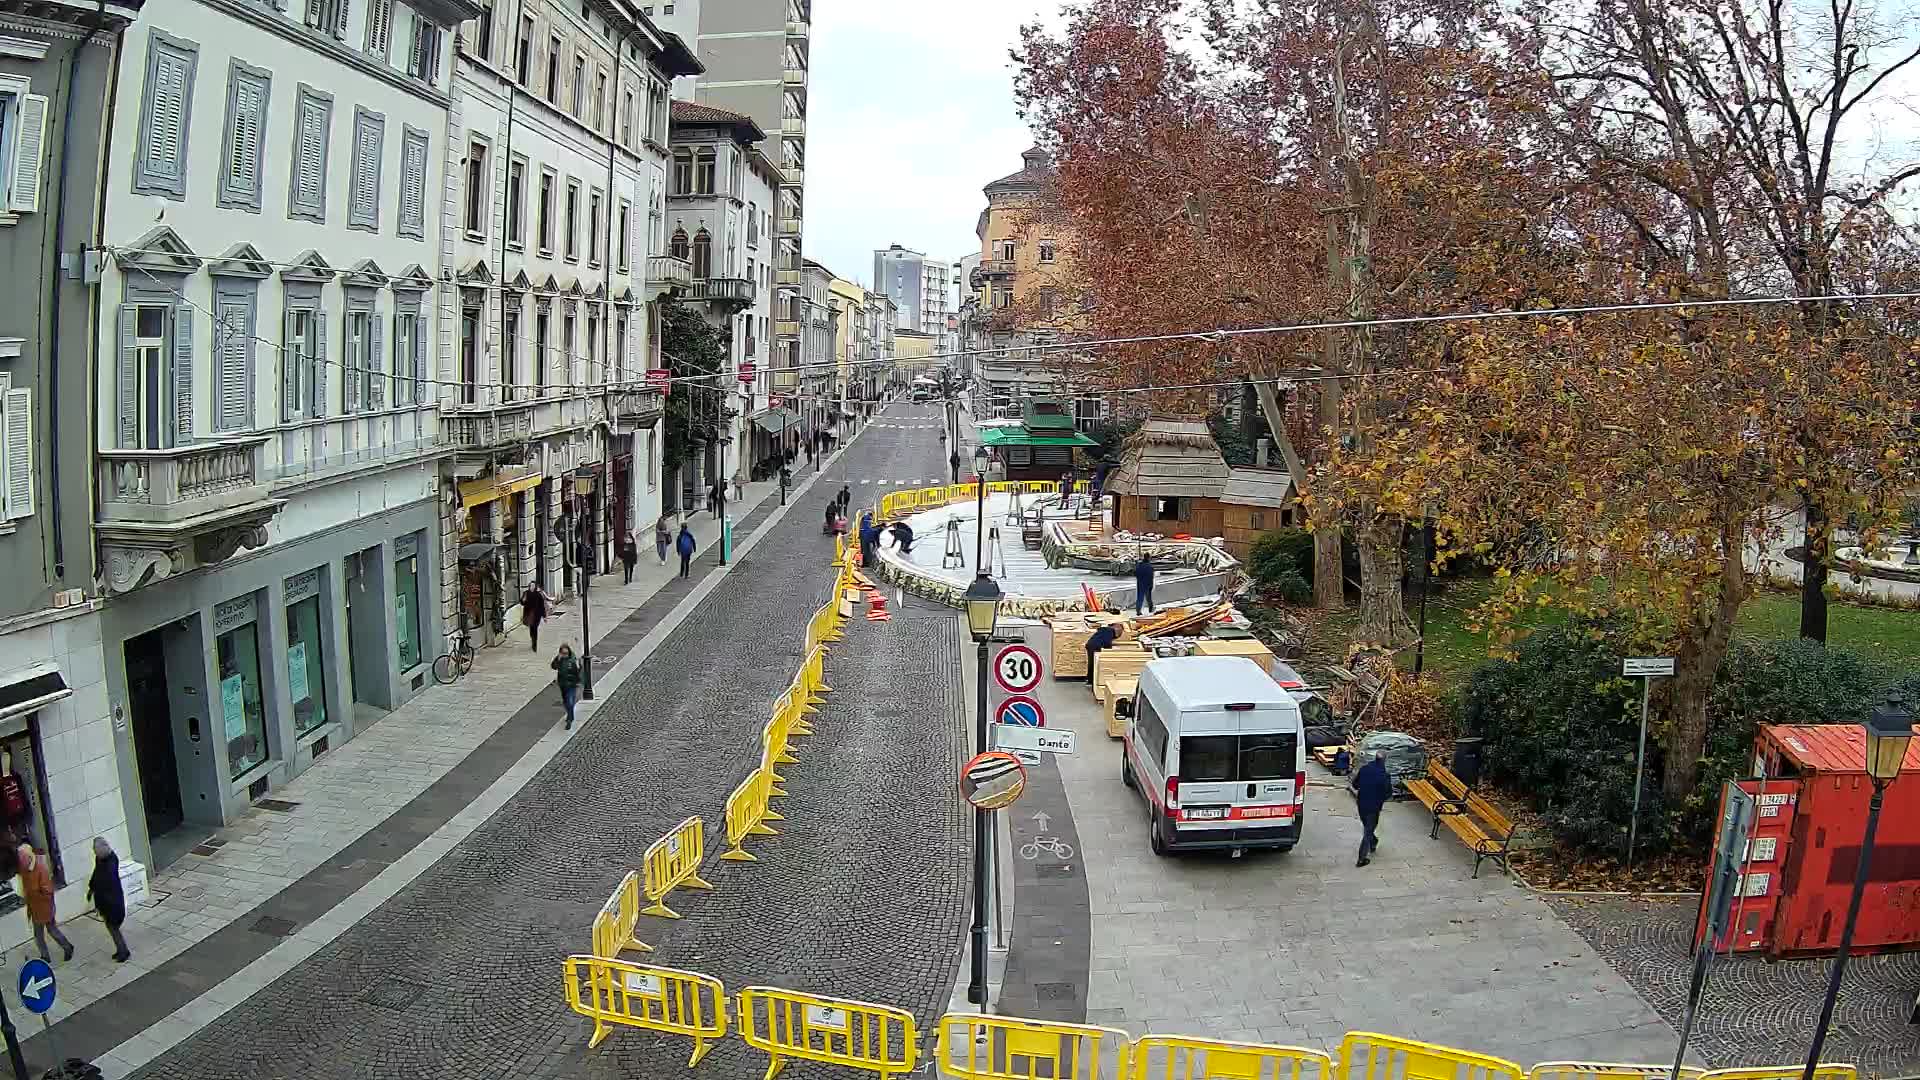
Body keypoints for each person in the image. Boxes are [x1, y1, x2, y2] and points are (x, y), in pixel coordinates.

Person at [18, 843, 71, 962]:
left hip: (44, 907)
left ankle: (67, 947)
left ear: (28, 857)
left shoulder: (40, 869)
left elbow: (48, 891)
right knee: (39, 935)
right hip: (35, 907)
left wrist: (36, 895)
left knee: (51, 930)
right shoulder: (24, 869)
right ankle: (45, 956)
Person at [87, 837, 130, 962]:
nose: (95, 854)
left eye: (96, 851)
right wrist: (91, 888)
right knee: (111, 927)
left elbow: (106, 880)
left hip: (112, 901)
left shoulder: (111, 861)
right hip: (105, 900)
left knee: (113, 927)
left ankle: (123, 951)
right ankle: (121, 950)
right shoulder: (101, 859)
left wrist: (95, 889)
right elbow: (96, 874)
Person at [1354, 750, 1393, 867]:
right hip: (1374, 806)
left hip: (1361, 803)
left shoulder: (1364, 769)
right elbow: (1388, 793)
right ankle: (1361, 858)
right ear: (1384, 760)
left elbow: (1355, 784)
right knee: (1368, 831)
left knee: (1367, 826)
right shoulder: (1384, 775)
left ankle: (1374, 841)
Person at [551, 644, 582, 731]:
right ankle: (569, 714)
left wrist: (579, 668)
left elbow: (579, 671)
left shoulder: (573, 660)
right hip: (563, 685)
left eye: (566, 653)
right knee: (565, 701)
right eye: (563, 653)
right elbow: (553, 667)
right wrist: (558, 659)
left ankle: (570, 719)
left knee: (570, 701)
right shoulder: (559, 659)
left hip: (572, 685)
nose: (564, 655)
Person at [520, 584, 548, 651]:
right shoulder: (526, 593)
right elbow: (522, 603)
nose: (532, 587)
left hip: (536, 615)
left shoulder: (538, 595)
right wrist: (523, 600)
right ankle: (532, 639)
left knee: (535, 628)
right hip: (528, 614)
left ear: (535, 587)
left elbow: (542, 606)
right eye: (530, 586)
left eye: (533, 586)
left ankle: (534, 643)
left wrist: (544, 616)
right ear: (529, 587)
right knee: (531, 629)